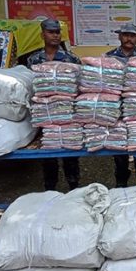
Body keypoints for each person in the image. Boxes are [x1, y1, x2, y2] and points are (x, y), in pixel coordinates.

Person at [26, 18, 82, 190]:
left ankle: (73, 187)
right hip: (46, 113)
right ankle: (50, 189)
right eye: (51, 32)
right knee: (48, 153)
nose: (55, 36)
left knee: (70, 154)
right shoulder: (34, 60)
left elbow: (79, 85)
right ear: (43, 34)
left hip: (67, 113)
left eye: (57, 32)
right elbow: (31, 85)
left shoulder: (70, 59)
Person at [105, 23, 136, 187]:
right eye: (125, 35)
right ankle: (121, 182)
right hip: (116, 109)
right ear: (119, 36)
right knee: (119, 150)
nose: (129, 38)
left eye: (132, 35)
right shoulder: (109, 57)